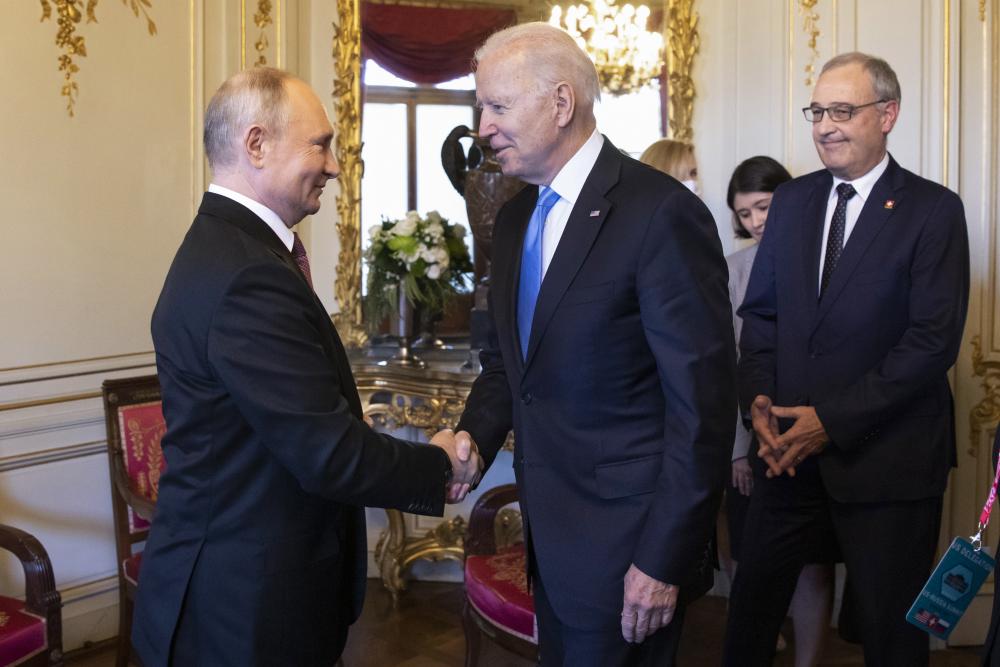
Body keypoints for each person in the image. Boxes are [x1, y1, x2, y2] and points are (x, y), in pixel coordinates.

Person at [131, 67, 481, 667]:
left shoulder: (234, 252)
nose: (336, 165)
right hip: (243, 609)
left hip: (248, 593)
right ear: (256, 144)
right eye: (321, 144)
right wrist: (439, 463)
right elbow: (329, 455)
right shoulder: (248, 275)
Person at [450, 22, 737, 666]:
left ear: (560, 102)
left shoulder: (660, 213)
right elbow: (508, 364)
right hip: (550, 542)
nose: (483, 127)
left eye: (497, 106)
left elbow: (703, 410)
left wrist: (661, 559)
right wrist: (469, 439)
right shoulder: (518, 214)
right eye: (480, 108)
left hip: (630, 547)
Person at [722, 51, 970, 667]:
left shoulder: (933, 211)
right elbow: (763, 316)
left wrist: (828, 419)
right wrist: (755, 398)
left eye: (842, 110)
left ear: (887, 115)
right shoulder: (795, 203)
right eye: (817, 111)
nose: (825, 125)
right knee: (748, 619)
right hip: (786, 457)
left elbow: (930, 342)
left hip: (888, 464)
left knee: (889, 636)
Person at [724, 156, 834, 667]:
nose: (756, 221)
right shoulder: (735, 268)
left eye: (764, 206)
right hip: (757, 441)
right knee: (756, 567)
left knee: (814, 563)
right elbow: (729, 367)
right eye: (744, 213)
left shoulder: (827, 253)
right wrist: (739, 451)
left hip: (822, 434)